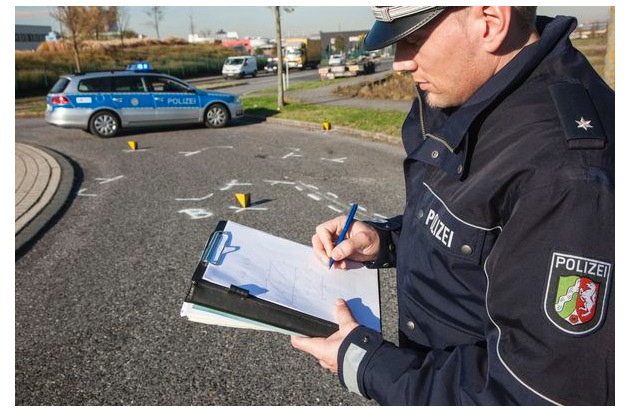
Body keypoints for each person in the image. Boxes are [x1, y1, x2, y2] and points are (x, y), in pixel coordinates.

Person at [290, 6, 614, 406]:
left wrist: (367, 365)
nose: (400, 62)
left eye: (413, 39)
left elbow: (532, 393)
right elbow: (481, 231)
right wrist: (385, 240)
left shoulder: (568, 176)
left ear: (491, 22)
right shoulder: (483, 93)